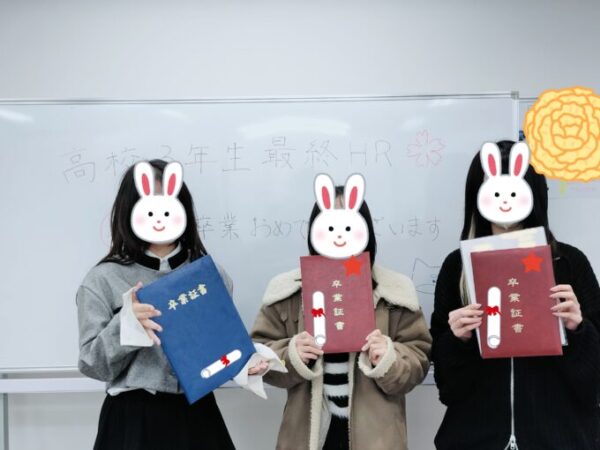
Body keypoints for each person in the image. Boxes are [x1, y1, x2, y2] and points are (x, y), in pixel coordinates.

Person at [77, 159, 265, 450]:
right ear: (130, 209)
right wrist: (126, 327)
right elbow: (92, 365)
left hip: (197, 415)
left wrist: (245, 366)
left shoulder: (210, 275)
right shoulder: (104, 278)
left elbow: (219, 350)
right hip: (133, 420)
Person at [431, 140, 600, 449]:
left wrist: (578, 330)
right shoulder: (458, 268)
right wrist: (458, 342)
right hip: (475, 438)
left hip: (558, 439)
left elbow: (593, 384)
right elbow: (447, 389)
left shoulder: (569, 264)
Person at [251, 174, 431, 450]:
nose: (339, 235)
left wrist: (389, 357)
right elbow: (259, 355)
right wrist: (292, 354)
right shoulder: (286, 290)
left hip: (377, 439)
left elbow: (419, 360)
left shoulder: (395, 291)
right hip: (309, 437)